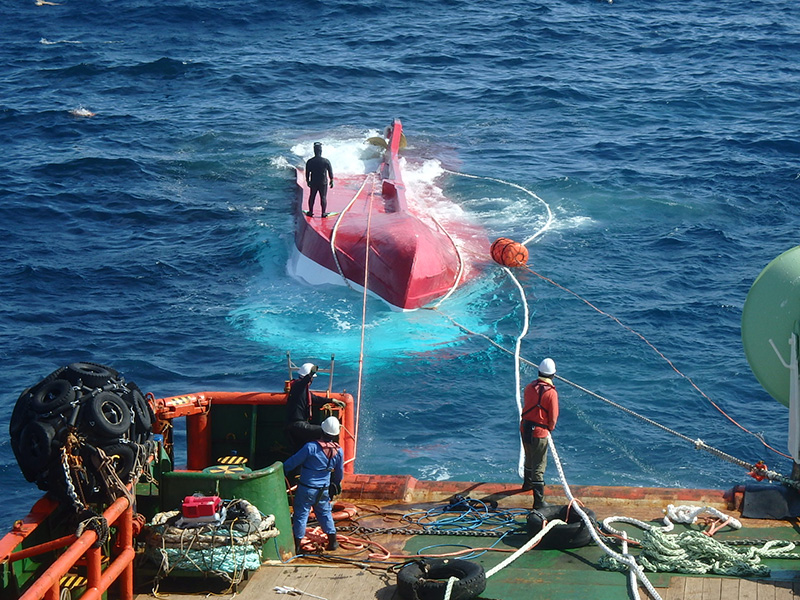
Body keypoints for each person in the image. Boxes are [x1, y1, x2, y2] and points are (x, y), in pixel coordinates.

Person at [283, 416, 344, 554]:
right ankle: (333, 541)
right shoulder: (338, 451)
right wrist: (336, 483)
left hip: (307, 489)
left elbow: (293, 462)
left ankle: (297, 545)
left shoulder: (311, 447)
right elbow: (339, 473)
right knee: (325, 513)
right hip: (323, 490)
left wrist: (282, 470)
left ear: (322, 430)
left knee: (301, 515)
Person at [520, 357, 559, 508]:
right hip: (539, 432)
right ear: (553, 375)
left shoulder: (529, 387)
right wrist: (549, 427)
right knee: (539, 466)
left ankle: (527, 484)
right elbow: (553, 417)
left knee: (528, 457)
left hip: (525, 428)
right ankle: (538, 502)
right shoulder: (551, 393)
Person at [285, 363, 343, 454]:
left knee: (299, 448)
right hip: (297, 425)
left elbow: (316, 399)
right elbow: (303, 382)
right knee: (326, 431)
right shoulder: (298, 386)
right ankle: (329, 456)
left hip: (299, 425)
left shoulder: (303, 391)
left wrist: (332, 400)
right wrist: (310, 374)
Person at [304, 142, 334, 217]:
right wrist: (331, 180)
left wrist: (307, 181)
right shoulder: (326, 161)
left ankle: (310, 212)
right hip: (323, 182)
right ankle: (323, 213)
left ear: (314, 151)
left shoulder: (310, 161)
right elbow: (330, 172)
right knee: (323, 197)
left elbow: (307, 173)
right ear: (321, 151)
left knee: (312, 196)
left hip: (313, 181)